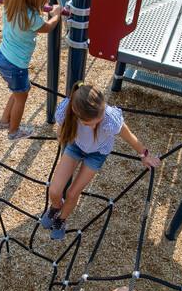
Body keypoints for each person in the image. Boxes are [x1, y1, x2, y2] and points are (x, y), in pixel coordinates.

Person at [39, 83, 161, 240]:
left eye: (99, 119)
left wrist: (144, 154)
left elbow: (129, 136)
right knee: (54, 190)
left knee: (72, 192)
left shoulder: (109, 118)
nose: (97, 124)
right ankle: (56, 207)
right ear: (77, 115)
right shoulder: (67, 111)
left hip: (97, 154)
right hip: (75, 146)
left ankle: (61, 220)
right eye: (91, 123)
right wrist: (62, 136)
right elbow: (61, 129)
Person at [0, 0, 63, 140]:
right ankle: (13, 131)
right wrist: (56, 14)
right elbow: (47, 28)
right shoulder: (31, 17)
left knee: (18, 92)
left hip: (2, 55)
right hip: (16, 65)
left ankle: (3, 121)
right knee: (21, 98)